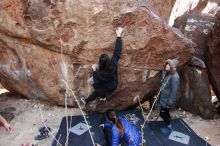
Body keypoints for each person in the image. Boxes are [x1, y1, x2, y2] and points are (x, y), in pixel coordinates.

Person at [81, 27, 123, 104]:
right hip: (113, 85)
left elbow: (96, 83)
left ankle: (86, 101)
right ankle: (103, 97)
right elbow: (117, 51)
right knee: (103, 90)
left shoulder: (100, 74)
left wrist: (94, 70)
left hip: (104, 87)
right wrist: (118, 35)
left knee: (95, 91)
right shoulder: (113, 63)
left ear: (100, 63)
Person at [158, 59, 180, 134]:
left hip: (167, 100)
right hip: (163, 98)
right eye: (166, 64)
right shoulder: (168, 73)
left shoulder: (175, 77)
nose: (166, 65)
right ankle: (167, 124)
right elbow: (163, 73)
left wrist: (169, 103)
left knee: (164, 113)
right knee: (163, 113)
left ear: (172, 67)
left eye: (168, 64)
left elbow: (174, 91)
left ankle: (169, 127)